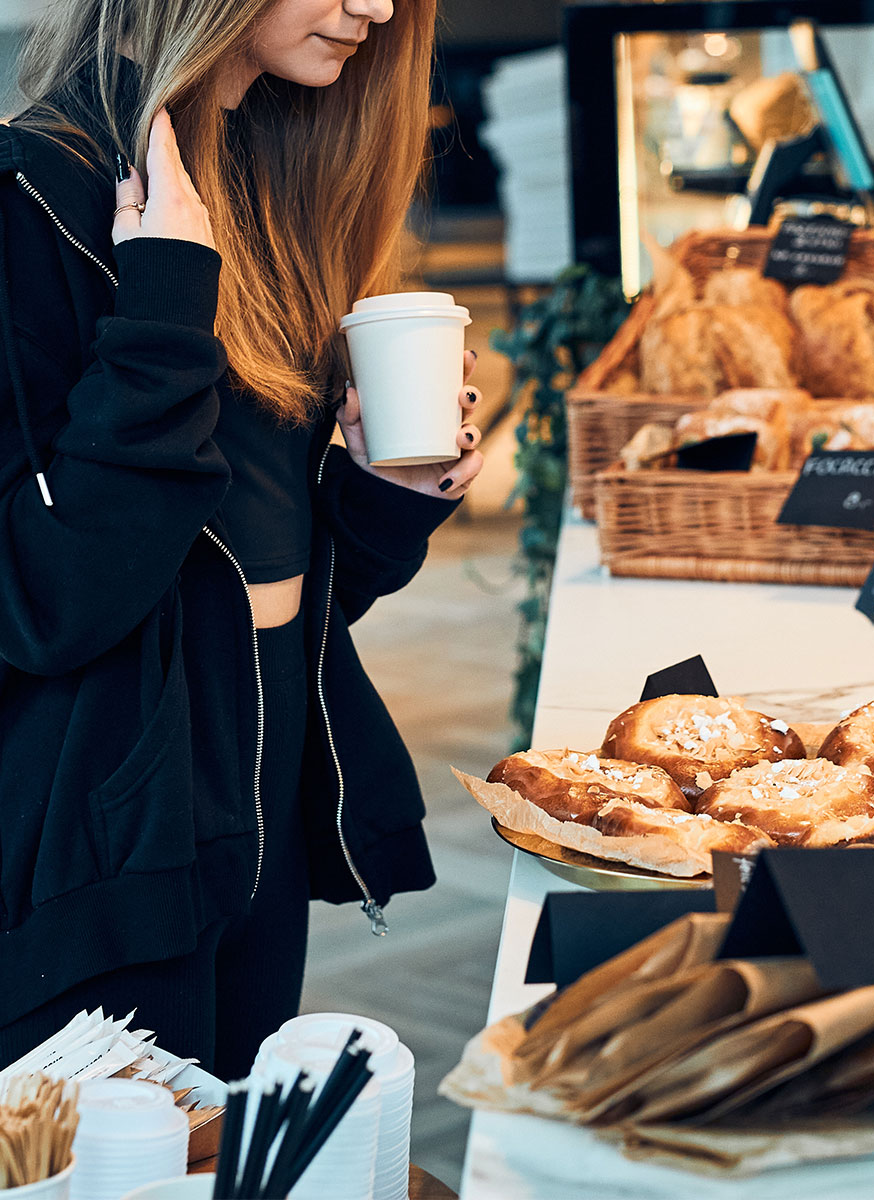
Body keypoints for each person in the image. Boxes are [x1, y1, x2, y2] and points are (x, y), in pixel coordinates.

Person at [0, 0, 484, 1079]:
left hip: (262, 768)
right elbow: (44, 598)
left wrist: (384, 493)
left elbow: (274, 582)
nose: (375, 7)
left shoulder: (261, 189)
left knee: (232, 1154)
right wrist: (165, 312)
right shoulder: (30, 195)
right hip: (101, 827)